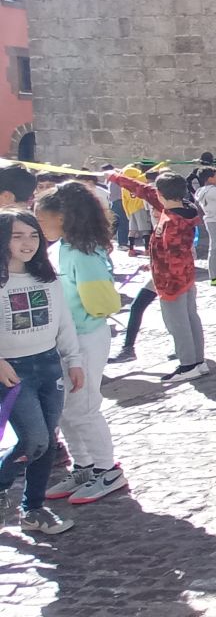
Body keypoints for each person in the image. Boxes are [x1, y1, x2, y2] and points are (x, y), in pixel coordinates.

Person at [34, 185, 128, 505]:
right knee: (65, 410)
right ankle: (84, 466)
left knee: (84, 408)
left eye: (41, 219)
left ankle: (107, 469)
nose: (38, 226)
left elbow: (102, 303)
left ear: (61, 217)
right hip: (64, 341)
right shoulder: (61, 248)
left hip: (85, 338)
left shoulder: (82, 253)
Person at [0, 210, 86, 534]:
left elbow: (64, 323)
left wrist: (74, 360)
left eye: (33, 235)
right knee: (34, 440)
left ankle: (33, 509)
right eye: (17, 236)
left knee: (47, 442)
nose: (28, 243)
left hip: (50, 366)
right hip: (13, 372)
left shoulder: (48, 280)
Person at [108, 170, 207, 383]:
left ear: (161, 194)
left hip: (172, 280)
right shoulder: (183, 207)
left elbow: (172, 256)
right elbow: (144, 191)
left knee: (178, 322)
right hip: (184, 274)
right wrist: (116, 177)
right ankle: (198, 361)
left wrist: (164, 279)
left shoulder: (172, 221)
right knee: (190, 317)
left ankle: (188, 365)